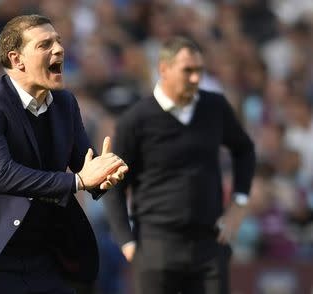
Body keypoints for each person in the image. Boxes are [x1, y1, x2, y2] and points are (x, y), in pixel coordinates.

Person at [0, 14, 128, 294]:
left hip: (42, 254)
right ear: (16, 59)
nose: (59, 49)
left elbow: (85, 163)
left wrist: (105, 174)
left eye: (59, 42)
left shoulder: (65, 102)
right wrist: (79, 181)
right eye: (45, 44)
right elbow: (2, 175)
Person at [103, 36, 256, 294]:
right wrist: (126, 241)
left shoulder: (214, 107)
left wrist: (239, 205)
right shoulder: (136, 119)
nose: (195, 78)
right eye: (188, 70)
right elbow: (114, 184)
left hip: (208, 241)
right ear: (164, 69)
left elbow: (245, 149)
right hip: (155, 244)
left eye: (199, 71)